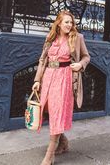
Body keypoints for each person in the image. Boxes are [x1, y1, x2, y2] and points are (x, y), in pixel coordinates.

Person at [32, 10, 90, 165]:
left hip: (65, 78)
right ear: (58, 23)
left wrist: (80, 64)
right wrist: (37, 80)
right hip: (48, 78)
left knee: (57, 113)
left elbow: (86, 56)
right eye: (66, 22)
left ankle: (49, 156)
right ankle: (63, 142)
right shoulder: (50, 38)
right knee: (49, 112)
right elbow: (42, 60)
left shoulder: (77, 38)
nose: (69, 25)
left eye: (71, 22)